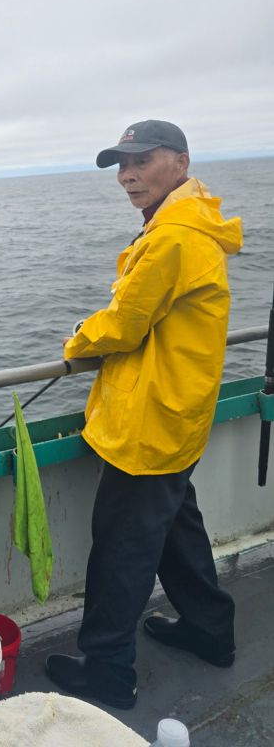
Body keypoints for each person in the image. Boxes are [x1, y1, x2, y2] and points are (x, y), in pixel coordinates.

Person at [44, 120, 243, 710]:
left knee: (122, 549)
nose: (128, 175)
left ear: (181, 163)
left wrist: (76, 340)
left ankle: (108, 669)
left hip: (151, 422)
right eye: (121, 165)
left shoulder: (172, 238)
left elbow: (125, 324)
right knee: (177, 529)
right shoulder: (186, 226)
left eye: (142, 161)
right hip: (178, 412)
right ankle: (211, 631)